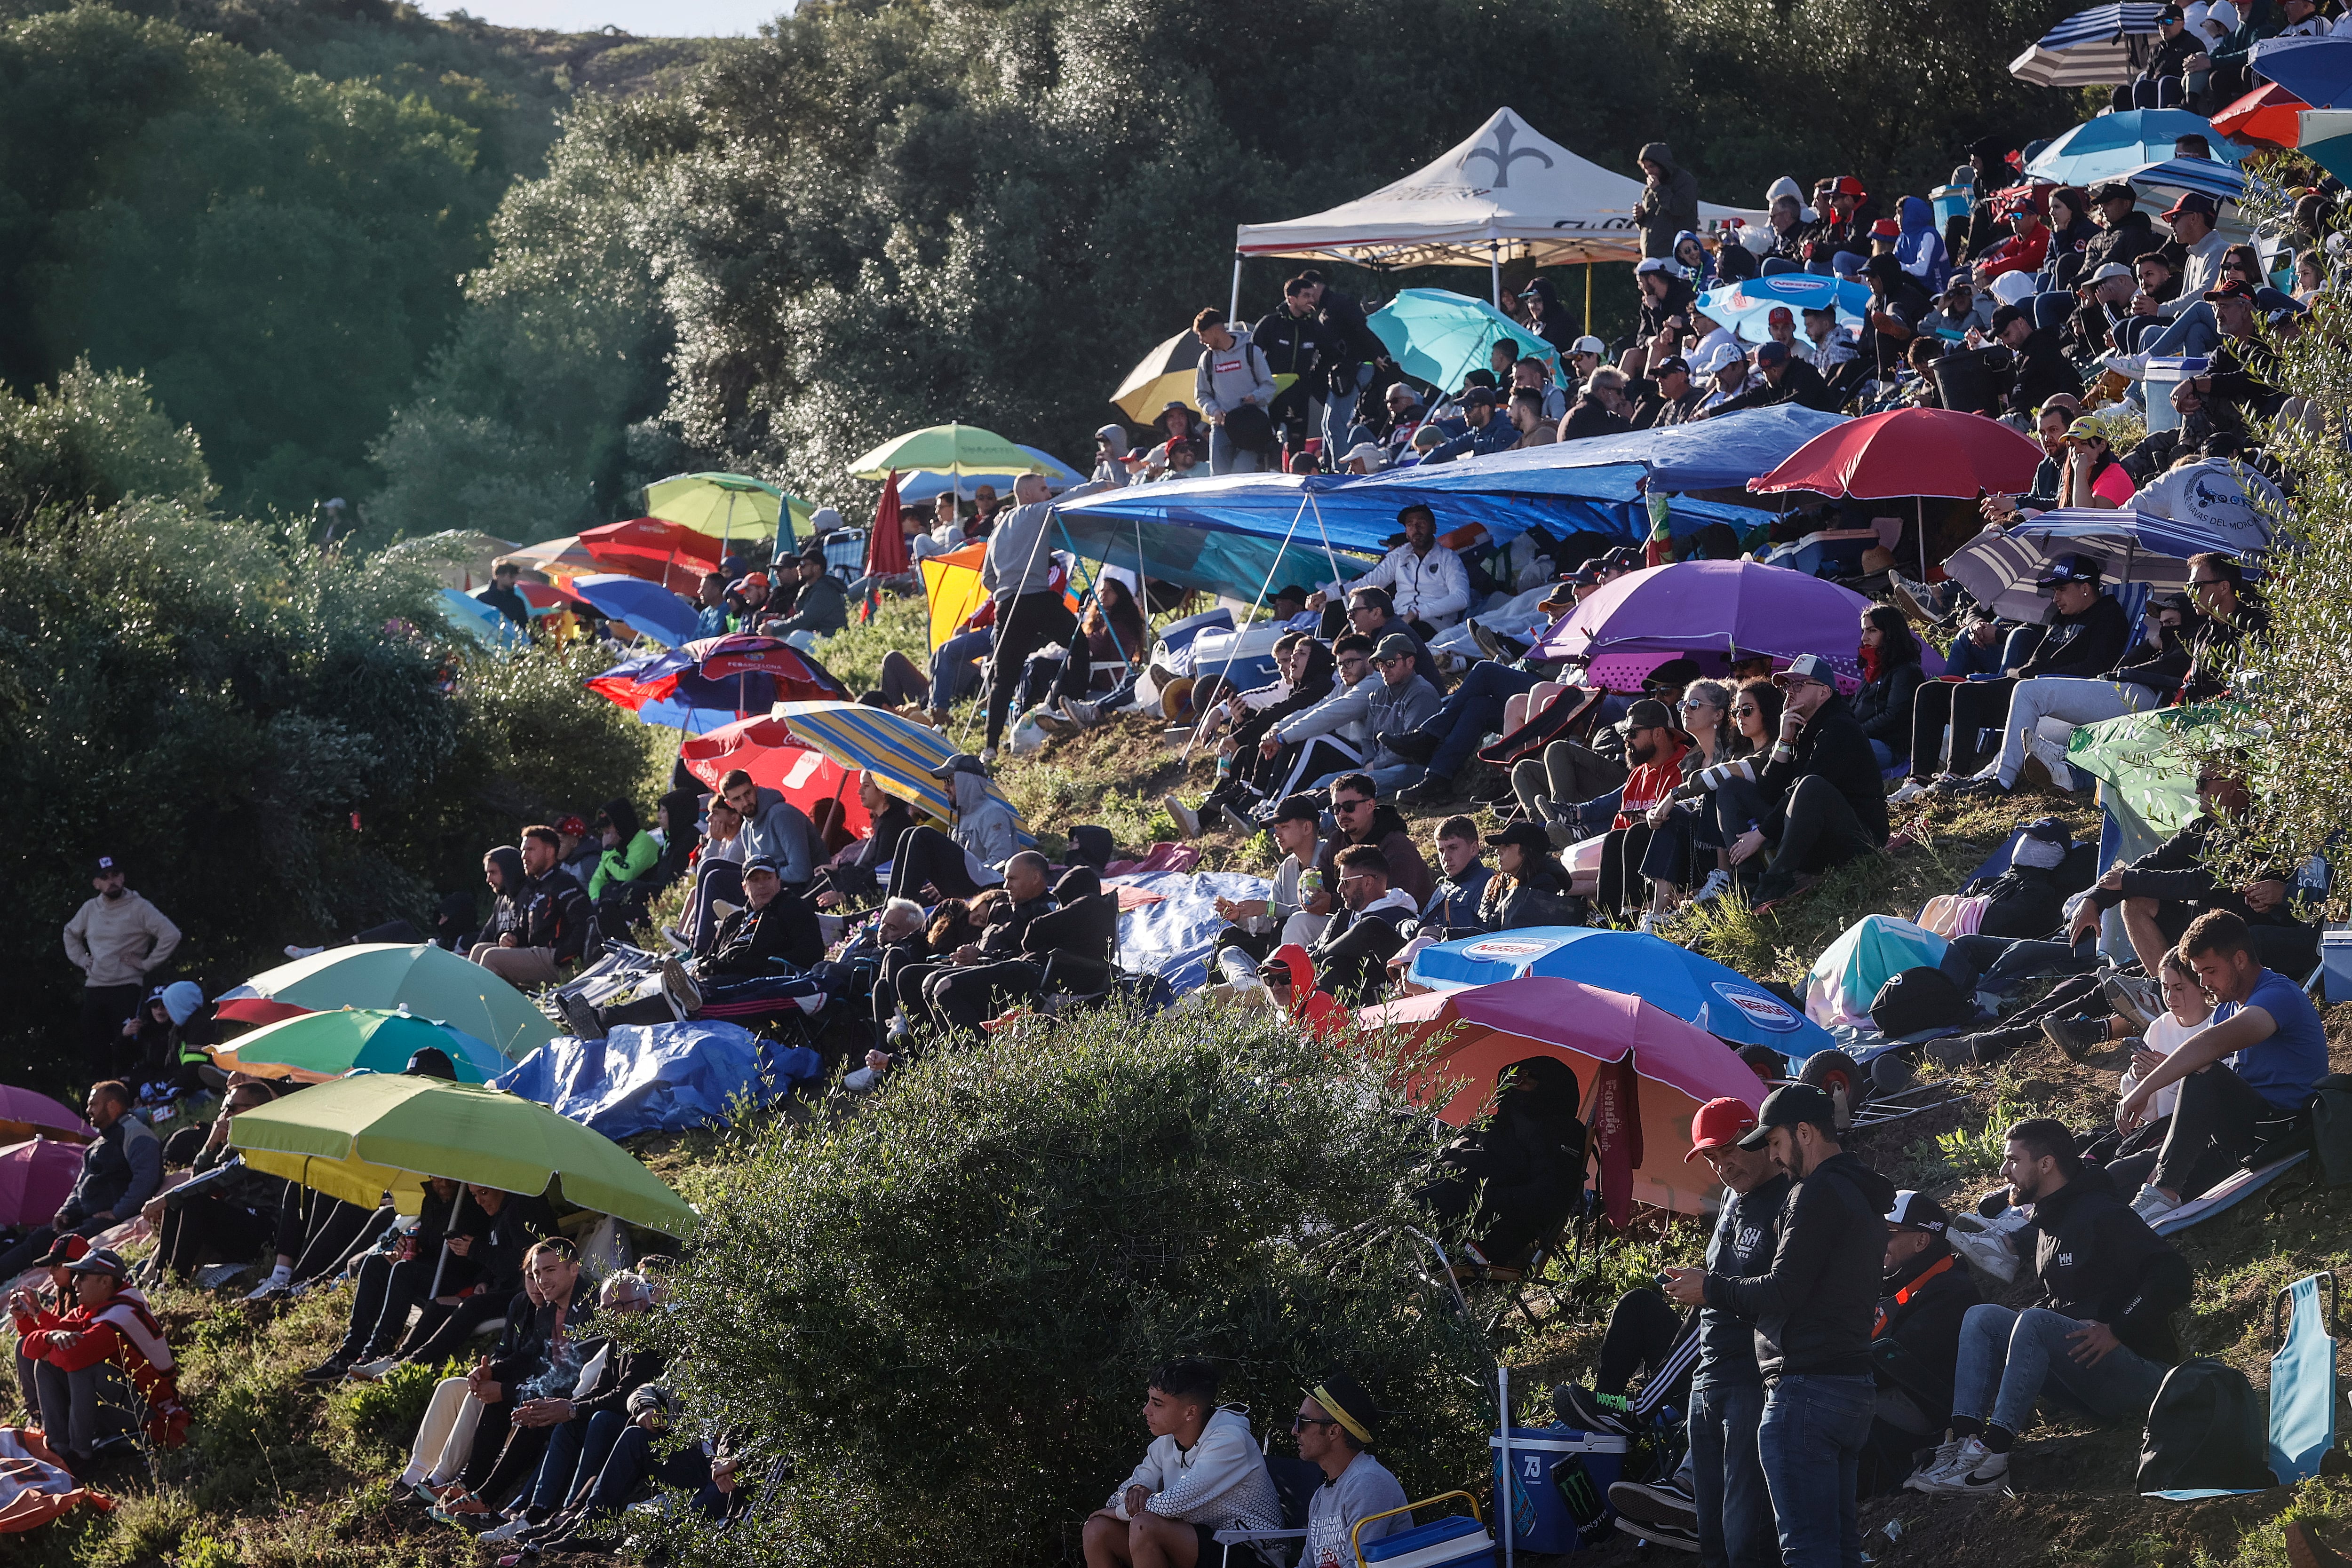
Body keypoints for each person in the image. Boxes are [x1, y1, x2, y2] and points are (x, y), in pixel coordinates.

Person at [1663, 1084, 1895, 1568]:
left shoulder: (1811, 1195)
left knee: (1797, 1548)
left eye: (1770, 1143)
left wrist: (1711, 1289)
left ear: (1803, 1133)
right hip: (1837, 1382)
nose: (1767, 1154)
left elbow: (1783, 1289)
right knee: (1831, 1545)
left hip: (1803, 1386)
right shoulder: (1853, 1192)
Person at [1907, 1119, 2188, 1494]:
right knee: (1983, 1317)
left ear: (2046, 1164)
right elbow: (2067, 1302)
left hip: (2146, 1378)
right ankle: (1965, 1446)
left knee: (2035, 1321)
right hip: (2088, 1377)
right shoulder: (2047, 1226)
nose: (2005, 1171)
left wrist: (2118, 1328)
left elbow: (2173, 1274)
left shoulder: (2102, 1213)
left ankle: (1993, 1460)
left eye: (2012, 1160)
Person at [1594, 1097, 1786, 1560]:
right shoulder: (1728, 1198)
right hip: (1708, 1373)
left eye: (1731, 1149)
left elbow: (1785, 1291)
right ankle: (1624, 1414)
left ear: (1757, 1138)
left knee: (1745, 1530)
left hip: (1751, 1374)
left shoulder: (1788, 1199)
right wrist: (1696, 1281)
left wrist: (1712, 1288)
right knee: (1712, 1536)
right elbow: (1726, 1273)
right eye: (1712, 1157)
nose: (1723, 1165)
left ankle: (1630, 1410)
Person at [2109, 910, 2328, 1221]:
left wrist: (2145, 1089)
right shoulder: (2227, 1006)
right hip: (2237, 1131)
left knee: (2204, 1073)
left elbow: (2208, 1051)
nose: (2203, 982)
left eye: (2210, 971)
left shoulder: (2278, 995)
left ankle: (2164, 1192)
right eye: (2198, 973)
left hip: (2280, 1126)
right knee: (2118, 1176)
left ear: (2240, 959)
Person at [1912, 555, 2128, 783]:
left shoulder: (2109, 618)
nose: (2055, 598)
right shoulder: (2061, 617)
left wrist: (2037, 677)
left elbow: (2095, 669)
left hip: (2052, 697)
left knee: (1965, 694)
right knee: (1930, 692)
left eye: (2061, 590)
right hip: (2028, 684)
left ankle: (1953, 777)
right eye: (2054, 591)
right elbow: (2036, 656)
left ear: (2085, 587)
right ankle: (1918, 779)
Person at [1084, 1358, 1282, 1568]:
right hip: (1197, 1541)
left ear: (1190, 1412)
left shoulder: (1230, 1441)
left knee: (1145, 1525)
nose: (1146, 1410)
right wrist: (1135, 1490)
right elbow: (1119, 1497)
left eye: (1157, 1404)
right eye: (1149, 1400)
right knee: (1097, 1529)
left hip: (1251, 1552)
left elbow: (1172, 1504)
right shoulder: (1165, 1443)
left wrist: (1119, 1512)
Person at [1730, 655, 1888, 911]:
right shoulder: (1801, 729)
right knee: (1731, 789)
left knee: (1811, 785)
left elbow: (1803, 790)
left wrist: (1760, 835)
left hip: (1858, 839)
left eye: (1799, 685)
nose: (1790, 693)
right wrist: (1783, 741)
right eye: (1787, 686)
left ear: (1824, 692)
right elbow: (1768, 792)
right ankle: (1748, 880)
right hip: (1815, 833)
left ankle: (1777, 879)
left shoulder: (1839, 728)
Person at [9, 1245, 185, 1472]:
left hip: (150, 1413)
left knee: (82, 1368)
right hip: (122, 1403)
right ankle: (58, 1449)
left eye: (82, 1276)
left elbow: (72, 1358)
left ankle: (81, 1456)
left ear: (105, 1282)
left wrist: (50, 1345)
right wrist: (44, 1329)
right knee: (46, 1365)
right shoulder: (95, 1308)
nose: (75, 1283)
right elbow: (29, 1348)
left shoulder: (121, 1315)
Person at [979, 471, 1114, 760]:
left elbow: (987, 580)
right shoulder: (1035, 512)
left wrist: (1007, 587)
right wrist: (1104, 485)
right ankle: (1071, 704)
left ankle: (990, 746)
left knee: (1003, 677)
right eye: (1043, 489)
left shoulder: (997, 531)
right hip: (1038, 598)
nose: (1048, 495)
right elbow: (1073, 496)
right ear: (1027, 495)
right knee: (1077, 644)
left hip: (1006, 605)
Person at [1419, 1057, 1588, 1266]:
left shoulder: (1563, 1134)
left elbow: (1547, 1196)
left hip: (1485, 1233)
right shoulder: (1494, 1123)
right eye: (1511, 1077)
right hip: (1434, 1220)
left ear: (1550, 1085)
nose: (1514, 1083)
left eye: (1524, 1078)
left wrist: (1479, 1195)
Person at [1863, 1193, 1980, 1494]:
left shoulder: (1951, 1291)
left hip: (1923, 1409)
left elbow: (1896, 1363)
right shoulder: (1901, 1283)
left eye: (1888, 1233)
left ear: (1921, 1241)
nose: (1877, 1241)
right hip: (1886, 1394)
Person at [0, 1082, 162, 1281]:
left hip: (107, 1219)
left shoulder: (136, 1135)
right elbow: (79, 1188)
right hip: (84, 1216)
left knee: (59, 1244)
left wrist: (118, 1212)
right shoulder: (96, 1146)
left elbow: (146, 1179)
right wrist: (66, 1212)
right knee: (36, 1238)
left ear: (112, 1106)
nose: (88, 1111)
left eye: (93, 1105)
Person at [143, 1080, 284, 1281]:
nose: (225, 1115)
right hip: (240, 1224)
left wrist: (168, 1197)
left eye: (232, 1109)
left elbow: (222, 1176)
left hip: (265, 1232)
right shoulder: (236, 1141)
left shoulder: (266, 1138)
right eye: (224, 1109)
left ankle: (176, 1279)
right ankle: (161, 1276)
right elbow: (200, 1179)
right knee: (183, 1201)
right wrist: (211, 1144)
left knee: (192, 1202)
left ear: (258, 1109)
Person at [64, 856, 181, 1074]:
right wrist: (82, 960)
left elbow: (171, 934)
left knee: (126, 1044)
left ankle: (126, 1094)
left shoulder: (140, 907)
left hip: (127, 987)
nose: (112, 881)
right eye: (105, 878)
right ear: (96, 884)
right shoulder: (90, 908)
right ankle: (99, 1096)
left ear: (123, 877)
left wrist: (147, 964)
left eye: (115, 875)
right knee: (95, 1047)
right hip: (95, 987)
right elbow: (70, 933)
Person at [1295, 1376, 1409, 1568]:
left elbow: (1360, 1565)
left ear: (1334, 1431)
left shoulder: (1368, 1484)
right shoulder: (1321, 1497)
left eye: (1302, 1422)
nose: (1295, 1431)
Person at [1309, 506, 1467, 636]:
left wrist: (1418, 613)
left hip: (1432, 624)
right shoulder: (1399, 556)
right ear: (1406, 532)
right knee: (1351, 637)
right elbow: (1368, 583)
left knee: (1393, 641)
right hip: (1397, 619)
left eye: (1422, 523)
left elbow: (1462, 598)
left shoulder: (1449, 558)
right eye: (1410, 525)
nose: (1416, 529)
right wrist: (1327, 595)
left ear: (1434, 528)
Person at [1303, 846, 1419, 1005]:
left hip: (1377, 1006)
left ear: (1368, 882)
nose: (1339, 889)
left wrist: (1311, 961)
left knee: (1332, 965)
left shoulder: (1395, 917)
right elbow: (1314, 947)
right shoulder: (1344, 916)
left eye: (1346, 883)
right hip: (1331, 1004)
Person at [1319, 774, 1434, 911]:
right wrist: (1309, 886)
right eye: (1336, 809)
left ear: (1370, 805)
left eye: (1349, 806)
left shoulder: (1398, 847)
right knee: (1301, 920)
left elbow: (1389, 903)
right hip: (1353, 918)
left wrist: (1331, 903)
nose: (1342, 814)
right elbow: (1320, 875)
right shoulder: (1337, 840)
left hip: (1401, 925)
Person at [1193, 306, 1277, 476]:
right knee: (1218, 478)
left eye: (1203, 335)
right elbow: (1202, 395)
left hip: (1251, 426)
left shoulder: (1251, 351)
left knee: (1242, 474)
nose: (1202, 341)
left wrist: (1255, 397)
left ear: (1216, 331)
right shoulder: (1207, 360)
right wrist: (1213, 410)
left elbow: (1270, 386)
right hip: (1221, 428)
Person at [1851, 608, 1924, 771]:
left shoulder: (1906, 671)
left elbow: (1894, 716)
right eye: (1863, 631)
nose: (1864, 638)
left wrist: (1854, 732)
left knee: (1842, 747)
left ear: (1890, 633)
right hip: (1865, 738)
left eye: (1872, 631)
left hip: (1891, 748)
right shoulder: (1874, 669)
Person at [1478, 820, 1578, 931]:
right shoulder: (1500, 882)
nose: (1497, 851)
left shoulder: (1544, 884)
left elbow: (1507, 927)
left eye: (1506, 845)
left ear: (1526, 851)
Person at [1420, 816, 1492, 935]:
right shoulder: (1443, 889)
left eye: (1453, 848)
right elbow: (1421, 923)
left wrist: (1439, 934)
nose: (1445, 858)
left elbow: (1489, 933)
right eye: (1441, 850)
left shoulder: (1487, 883)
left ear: (1474, 849)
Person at [762, 549, 848, 641]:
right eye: (798, 564)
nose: (798, 568)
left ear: (817, 568)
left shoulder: (825, 590)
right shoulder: (808, 588)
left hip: (831, 639)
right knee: (771, 624)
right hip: (815, 634)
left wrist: (775, 630)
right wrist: (773, 628)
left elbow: (805, 620)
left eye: (803, 564)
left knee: (797, 637)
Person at [1632, 143, 1699, 259]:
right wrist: (1640, 217)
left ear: (1663, 164)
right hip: (1650, 255)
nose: (1649, 172)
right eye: (1645, 168)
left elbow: (1679, 208)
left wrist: (1658, 190)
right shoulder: (1648, 190)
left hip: (1676, 255)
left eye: (1652, 166)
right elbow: (1650, 225)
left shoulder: (1685, 181)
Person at [586, 799, 658, 905]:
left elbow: (626, 875)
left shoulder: (643, 841)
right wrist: (597, 900)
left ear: (621, 823)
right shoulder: (616, 848)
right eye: (602, 828)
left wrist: (609, 850)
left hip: (646, 904)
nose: (605, 832)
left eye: (608, 826)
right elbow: (597, 879)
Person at [477, 560, 530, 628]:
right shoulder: (483, 599)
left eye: (515, 577)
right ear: (499, 576)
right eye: (511, 576)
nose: (514, 581)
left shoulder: (518, 603)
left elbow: (524, 628)